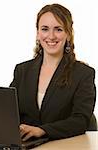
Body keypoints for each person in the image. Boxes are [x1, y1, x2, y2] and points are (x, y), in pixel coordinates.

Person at [10, 3, 96, 142]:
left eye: (58, 29)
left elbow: (81, 120)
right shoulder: (22, 71)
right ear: (38, 33)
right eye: (45, 29)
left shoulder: (84, 74)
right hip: (27, 144)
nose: (51, 36)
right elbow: (10, 111)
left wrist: (42, 130)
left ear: (68, 34)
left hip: (64, 144)